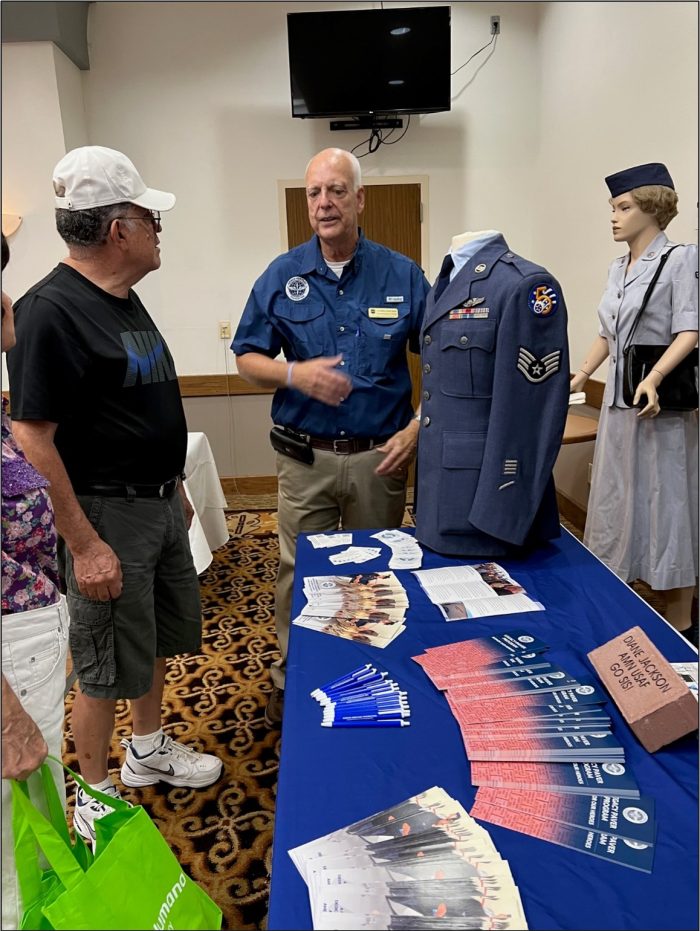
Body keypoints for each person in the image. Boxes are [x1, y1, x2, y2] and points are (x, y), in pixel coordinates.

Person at [6, 146, 222, 849]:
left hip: (154, 503)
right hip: (104, 513)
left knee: (152, 638)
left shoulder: (123, 300)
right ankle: (94, 792)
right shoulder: (49, 311)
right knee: (102, 662)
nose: (159, 228)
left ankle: (147, 748)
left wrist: (177, 490)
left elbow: (146, 405)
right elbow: (35, 437)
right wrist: (85, 542)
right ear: (118, 228)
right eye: (150, 216)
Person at [233, 147, 430, 724]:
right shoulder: (282, 275)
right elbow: (246, 356)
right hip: (306, 459)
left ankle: (371, 677)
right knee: (301, 575)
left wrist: (419, 426)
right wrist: (295, 373)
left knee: (374, 572)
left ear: (359, 199)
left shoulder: (403, 274)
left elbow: (444, 360)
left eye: (337, 190)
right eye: (315, 192)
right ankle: (297, 680)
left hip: (381, 459)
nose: (324, 203)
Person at [571, 162, 698, 640]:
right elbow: (609, 332)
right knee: (616, 496)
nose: (614, 217)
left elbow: (690, 327)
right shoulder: (615, 267)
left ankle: (683, 619)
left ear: (653, 208)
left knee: (667, 502)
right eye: (613, 208)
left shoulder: (682, 259)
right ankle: (620, 594)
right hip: (619, 405)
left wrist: (658, 377)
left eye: (624, 207)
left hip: (659, 405)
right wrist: (581, 373)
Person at [415, 230, 570, 558]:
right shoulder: (445, 281)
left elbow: (531, 412)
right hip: (442, 492)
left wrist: (505, 509)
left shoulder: (524, 285)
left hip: (488, 501)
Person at [1, 232, 71, 929]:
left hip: (27, 657)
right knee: (16, 870)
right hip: (7, 687)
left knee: (37, 850)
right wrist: (7, 722)